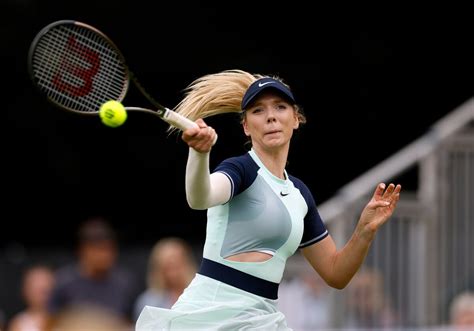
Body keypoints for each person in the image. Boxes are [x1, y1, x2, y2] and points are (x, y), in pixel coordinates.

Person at [136, 69, 402, 330]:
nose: (271, 117)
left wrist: (365, 230)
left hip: (262, 317)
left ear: (296, 119)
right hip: (209, 315)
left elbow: (336, 273)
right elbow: (200, 197)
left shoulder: (300, 194)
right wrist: (199, 154)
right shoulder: (240, 170)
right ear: (246, 127)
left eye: (280, 107)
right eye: (258, 110)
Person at [47, 217, 138, 326]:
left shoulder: (125, 283)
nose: (105, 256)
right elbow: (52, 321)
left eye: (110, 249)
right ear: (83, 250)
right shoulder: (63, 282)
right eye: (100, 249)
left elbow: (131, 322)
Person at [133, 237, 196, 321]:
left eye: (177, 264)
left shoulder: (200, 297)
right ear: (158, 269)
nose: (174, 271)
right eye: (168, 266)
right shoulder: (148, 303)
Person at [7, 265, 55, 331]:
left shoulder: (65, 317)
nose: (43, 293)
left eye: (46, 288)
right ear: (25, 290)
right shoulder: (19, 323)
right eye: (37, 288)